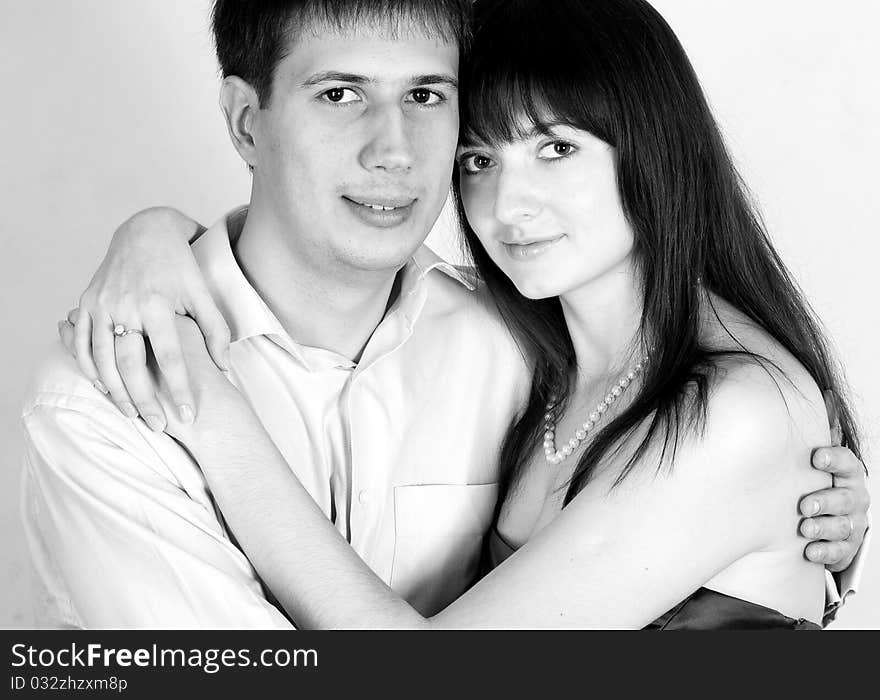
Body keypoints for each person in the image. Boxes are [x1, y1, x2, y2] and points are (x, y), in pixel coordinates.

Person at [36, 0, 868, 628]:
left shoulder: (545, 358)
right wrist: (149, 235)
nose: (508, 204)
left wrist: (215, 417)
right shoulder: (541, 354)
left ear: (653, 143)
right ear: (247, 123)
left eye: (557, 147)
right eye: (481, 157)